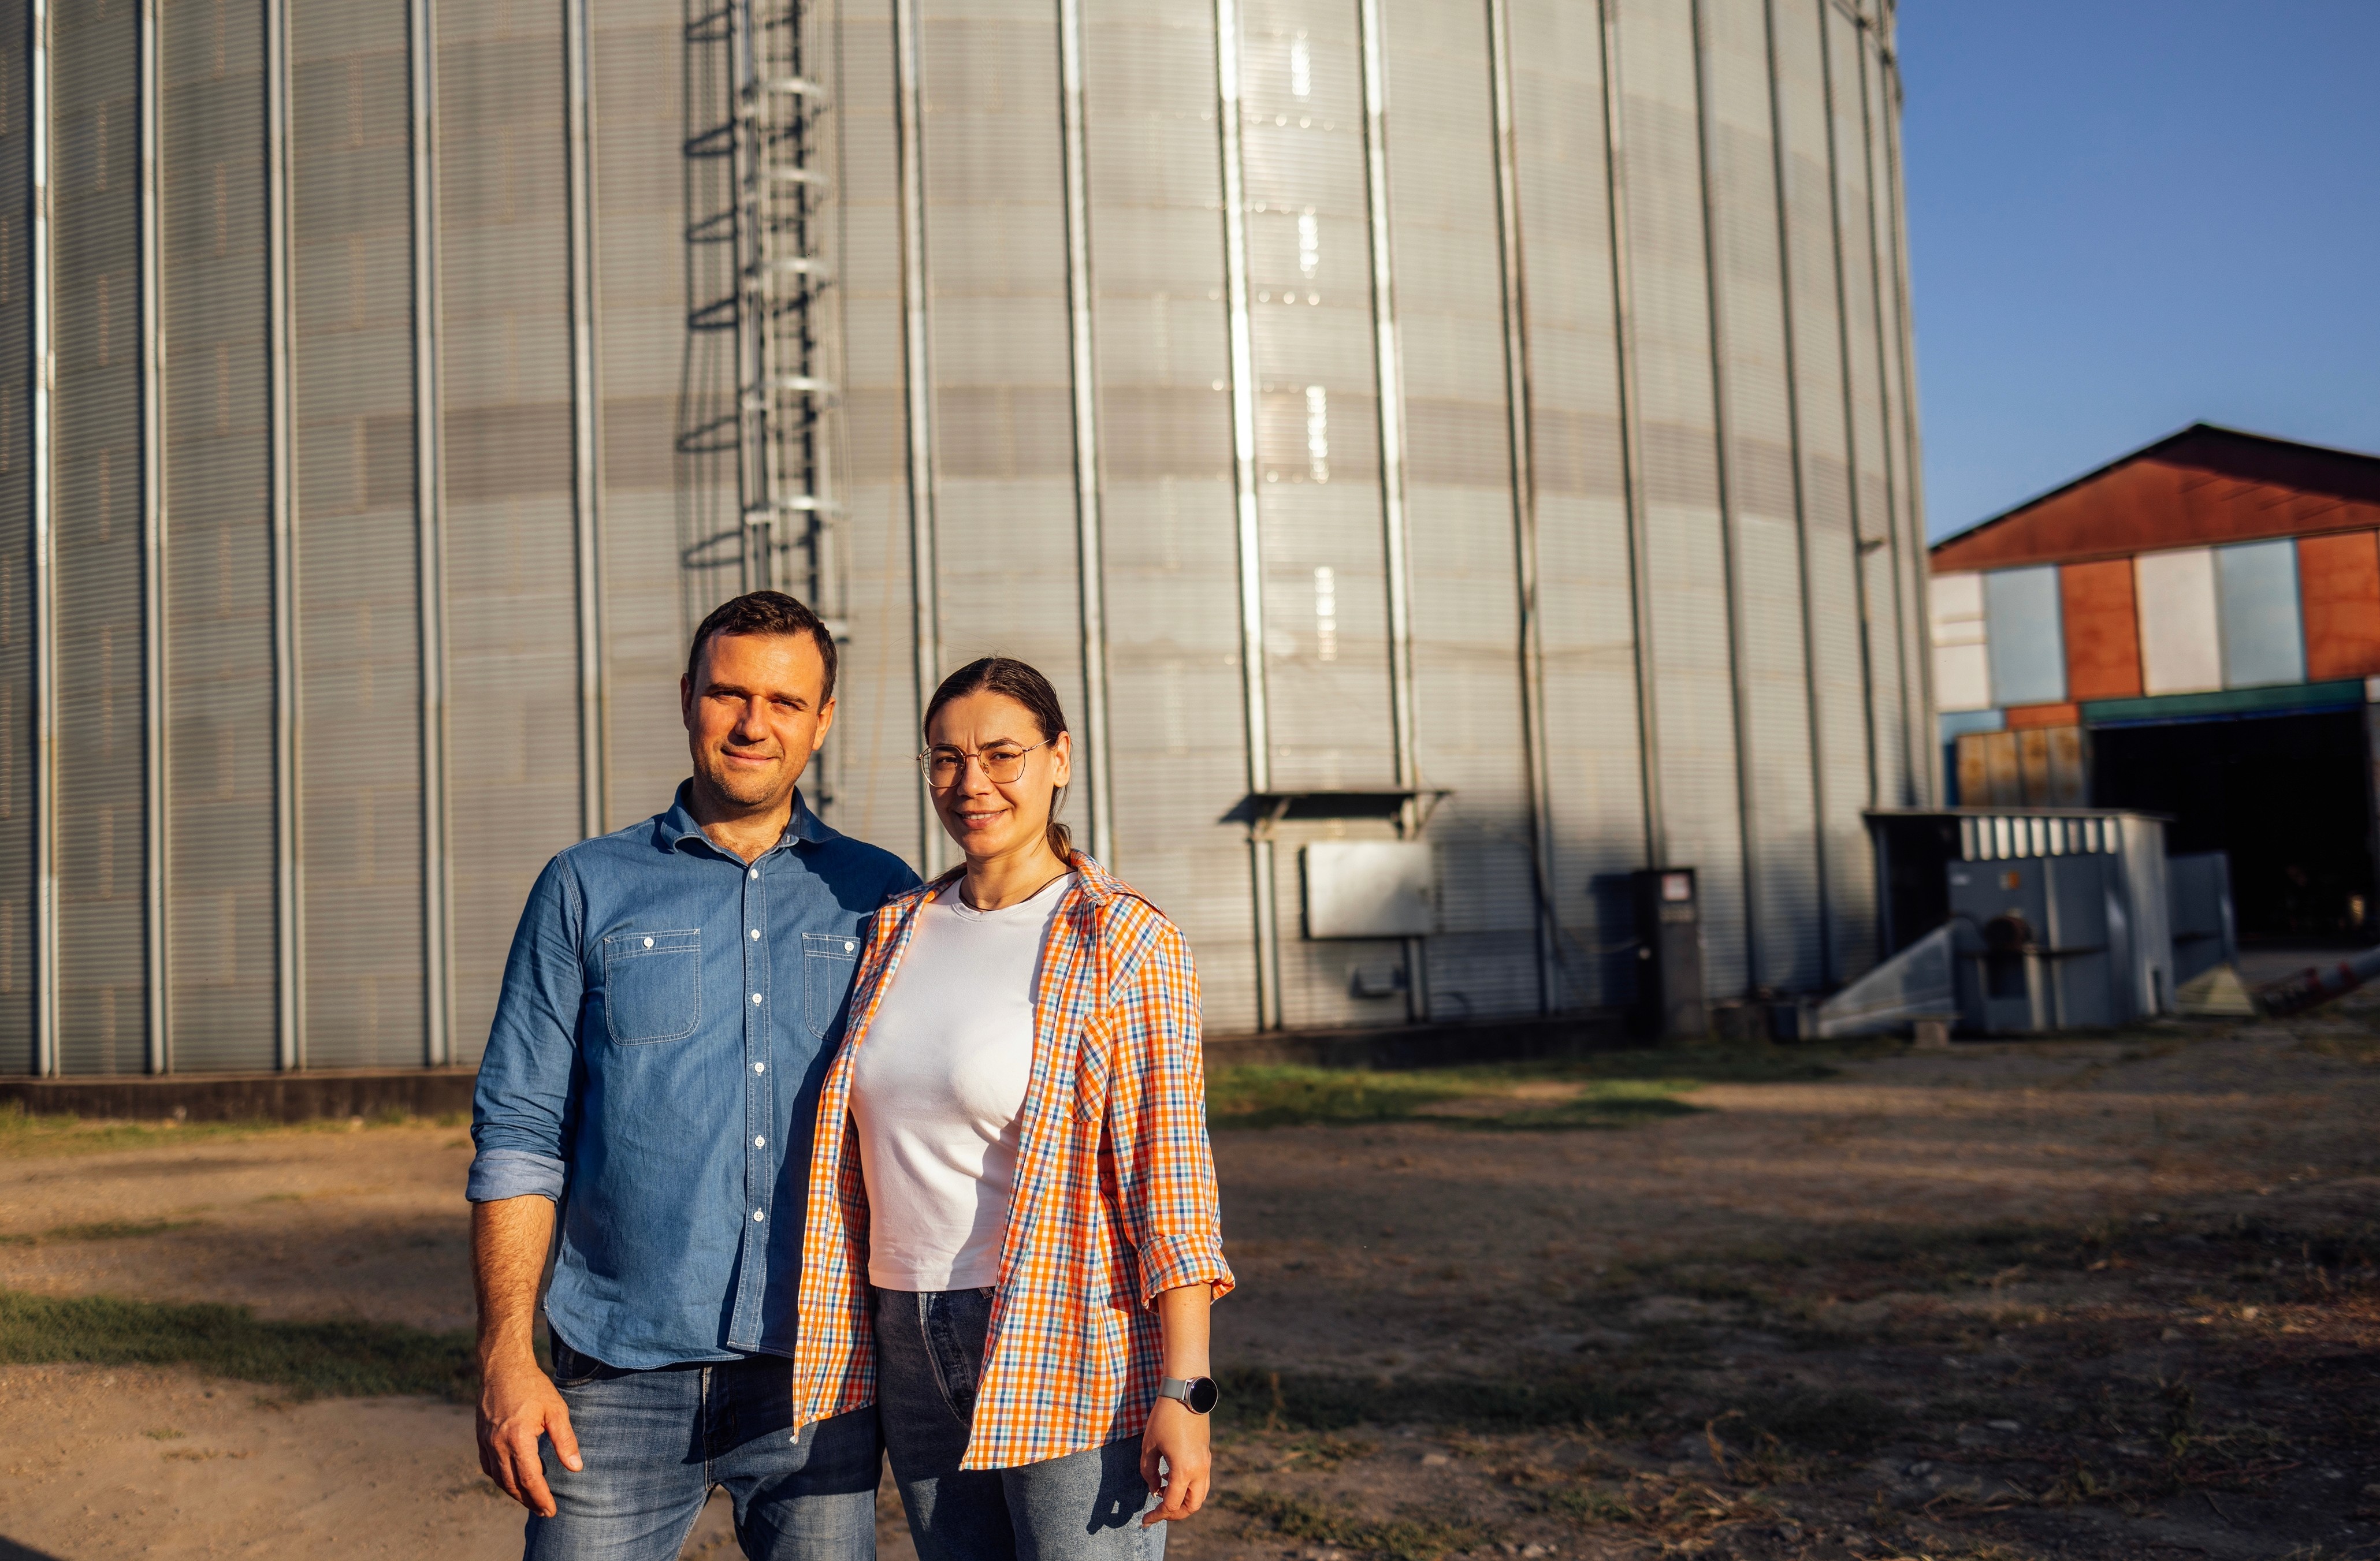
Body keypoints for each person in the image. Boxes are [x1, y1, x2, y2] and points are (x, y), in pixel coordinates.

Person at [468, 591, 920, 1560]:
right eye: (728, 694)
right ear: (686, 699)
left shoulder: (884, 896)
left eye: (785, 702)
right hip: (615, 1378)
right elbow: (517, 1133)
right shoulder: (585, 886)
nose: (754, 724)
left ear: (823, 720)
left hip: (817, 1382)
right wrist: (505, 1353)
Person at [787, 656, 1234, 1561]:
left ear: (1059, 757)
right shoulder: (895, 929)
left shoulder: (1121, 937)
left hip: (1061, 1325)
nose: (972, 784)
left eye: (1003, 755)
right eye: (947, 760)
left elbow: (1171, 1178)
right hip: (906, 1326)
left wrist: (1186, 1393)